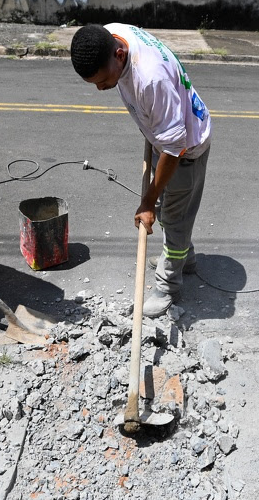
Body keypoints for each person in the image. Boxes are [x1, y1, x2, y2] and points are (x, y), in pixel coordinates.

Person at [70, 23, 212, 318]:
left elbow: (175, 148)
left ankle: (168, 285)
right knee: (172, 212)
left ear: (119, 55)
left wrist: (147, 200)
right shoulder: (112, 34)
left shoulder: (150, 79)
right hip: (166, 136)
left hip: (186, 149)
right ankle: (185, 257)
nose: (100, 88)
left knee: (172, 217)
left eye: (103, 80)